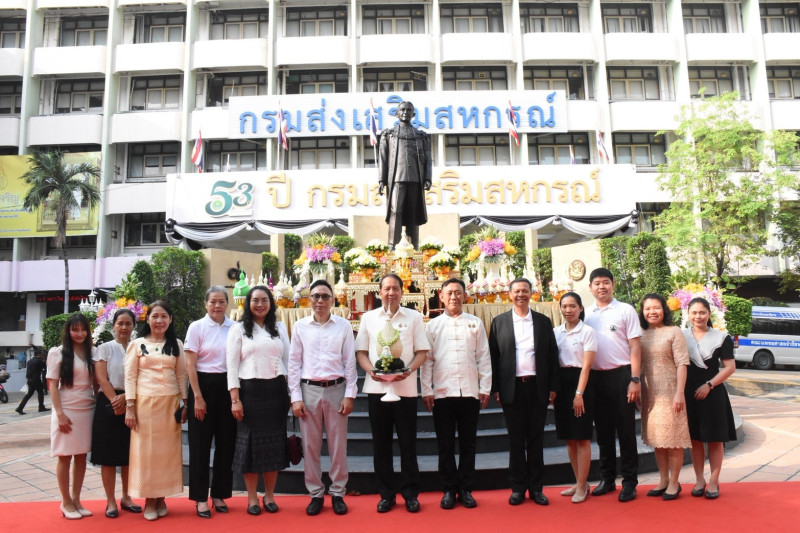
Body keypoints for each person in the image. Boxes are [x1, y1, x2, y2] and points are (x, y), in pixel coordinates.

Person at [355, 273, 430, 513]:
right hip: (377, 389)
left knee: (408, 444)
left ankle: (410, 494)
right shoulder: (368, 318)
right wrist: (372, 371)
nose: (391, 293)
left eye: (395, 288)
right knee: (381, 445)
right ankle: (386, 494)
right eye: (386, 288)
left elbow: (422, 351)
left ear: (402, 292)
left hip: (405, 390)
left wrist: (408, 370)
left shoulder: (414, 317)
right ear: (379, 292)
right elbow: (361, 352)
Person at [288, 279, 357, 516]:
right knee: (310, 445)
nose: (320, 300)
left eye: (325, 296)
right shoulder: (300, 326)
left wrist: (350, 394)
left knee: (338, 445)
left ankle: (338, 492)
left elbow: (349, 362)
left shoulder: (343, 325)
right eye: (316, 296)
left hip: (336, 389)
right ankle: (316, 493)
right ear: (309, 299)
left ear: (332, 300)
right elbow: (294, 362)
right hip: (309, 390)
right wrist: (295, 397)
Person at [422, 278, 491, 509]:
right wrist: (426, 390)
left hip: (470, 391)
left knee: (468, 444)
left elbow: (483, 357)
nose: (454, 297)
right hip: (442, 393)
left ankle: (466, 489)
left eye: (458, 292)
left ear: (464, 295)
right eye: (449, 293)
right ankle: (449, 489)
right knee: (445, 445)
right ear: (441, 297)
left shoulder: (475, 323)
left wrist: (485, 387)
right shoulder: (433, 326)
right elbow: (427, 361)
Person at [489, 278, 559, 507]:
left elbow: (552, 356)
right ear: (510, 294)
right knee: (516, 440)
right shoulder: (499, 322)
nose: (521, 295)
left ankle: (537, 489)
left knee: (536, 439)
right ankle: (518, 488)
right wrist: (496, 388)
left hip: (537, 387)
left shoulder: (543, 322)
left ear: (531, 293)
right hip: (512, 389)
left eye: (525, 291)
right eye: (517, 291)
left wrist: (552, 387)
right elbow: (493, 358)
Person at [227, 285, 291, 516]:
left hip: (276, 392)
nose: (260, 304)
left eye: (265, 300)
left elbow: (288, 361)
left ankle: (270, 496)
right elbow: (232, 365)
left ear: (271, 303)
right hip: (249, 392)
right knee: (250, 446)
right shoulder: (238, 329)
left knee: (274, 445)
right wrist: (235, 399)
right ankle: (252, 497)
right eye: (255, 300)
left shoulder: (279, 327)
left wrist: (292, 394)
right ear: (248, 303)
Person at [125, 301, 188, 521]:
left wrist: (186, 402)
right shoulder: (137, 344)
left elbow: (181, 375)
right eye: (155, 316)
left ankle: (161, 498)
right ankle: (149, 500)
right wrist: (130, 407)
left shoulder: (176, 344)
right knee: (146, 455)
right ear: (148, 319)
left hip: (170, 404)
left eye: (164, 317)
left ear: (170, 320)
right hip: (144, 404)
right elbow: (130, 377)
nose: (159, 321)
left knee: (166, 455)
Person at [583, 268, 642, 502]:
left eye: (606, 282)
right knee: (603, 432)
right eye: (597, 283)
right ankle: (607, 479)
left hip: (622, 376)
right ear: (590, 288)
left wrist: (635, 379)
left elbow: (635, 347)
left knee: (626, 431)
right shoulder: (586, 314)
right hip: (596, 379)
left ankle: (629, 482)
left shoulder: (625, 310)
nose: (602, 287)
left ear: (613, 285)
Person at [185, 286, 237, 518]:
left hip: (228, 386)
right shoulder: (197, 327)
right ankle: (200, 498)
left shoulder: (234, 328)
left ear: (227, 303)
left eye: (221, 301)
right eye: (212, 301)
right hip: (202, 386)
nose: (217, 306)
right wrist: (197, 396)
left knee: (226, 444)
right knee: (200, 445)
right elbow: (190, 364)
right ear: (205, 304)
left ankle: (219, 494)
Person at [683, 297, 737, 500]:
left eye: (702, 312)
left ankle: (714, 481)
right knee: (695, 439)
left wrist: (709, 385)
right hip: (689, 393)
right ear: (688, 314)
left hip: (713, 393)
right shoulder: (681, 335)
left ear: (709, 314)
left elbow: (730, 367)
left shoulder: (721, 337)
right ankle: (699, 480)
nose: (698, 316)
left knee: (715, 439)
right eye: (694, 312)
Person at [639, 293, 691, 501]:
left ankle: (674, 482)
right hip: (650, 393)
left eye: (656, 308)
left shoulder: (673, 331)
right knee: (658, 440)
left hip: (671, 392)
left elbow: (682, 363)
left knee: (673, 440)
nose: (652, 312)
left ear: (664, 310)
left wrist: (680, 393)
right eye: (647, 308)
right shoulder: (640, 334)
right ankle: (663, 480)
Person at [91, 309, 141, 518]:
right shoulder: (104, 348)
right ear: (113, 325)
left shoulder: (139, 347)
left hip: (133, 401)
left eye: (128, 323)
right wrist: (116, 402)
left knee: (129, 455)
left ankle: (127, 497)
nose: (124, 327)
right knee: (108, 456)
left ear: (133, 326)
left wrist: (127, 400)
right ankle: (110, 501)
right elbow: (101, 379)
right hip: (109, 402)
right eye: (120, 323)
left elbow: (143, 377)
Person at [47, 313, 96, 520]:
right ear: (68, 331)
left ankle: (76, 499)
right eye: (75, 329)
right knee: (65, 456)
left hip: (87, 407)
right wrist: (60, 414)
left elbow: (97, 382)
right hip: (66, 408)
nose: (79, 333)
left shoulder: (92, 352)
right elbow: (52, 385)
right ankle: (65, 501)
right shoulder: (57, 352)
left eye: (83, 329)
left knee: (82, 456)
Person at [553, 292, 597, 504]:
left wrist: (579, 394)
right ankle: (580, 482)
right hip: (562, 386)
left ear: (580, 308)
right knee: (569, 438)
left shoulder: (587, 332)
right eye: (564, 306)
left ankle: (582, 485)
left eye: (572, 306)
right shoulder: (555, 332)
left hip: (582, 384)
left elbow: (587, 366)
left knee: (581, 437)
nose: (568, 310)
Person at [378, 100, 432, 249]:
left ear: (413, 114)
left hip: (416, 178)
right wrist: (382, 180)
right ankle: (392, 245)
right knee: (396, 210)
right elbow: (383, 158)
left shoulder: (421, 136)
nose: (405, 112)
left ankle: (414, 246)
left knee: (413, 213)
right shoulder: (389, 135)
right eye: (402, 110)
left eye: (409, 110)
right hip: (397, 178)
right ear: (397, 113)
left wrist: (428, 177)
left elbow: (428, 159)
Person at [16, 347, 50, 414]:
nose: (42, 355)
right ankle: (41, 407)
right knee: (40, 393)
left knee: (28, 394)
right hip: (36, 380)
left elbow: (27, 372)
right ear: (38, 354)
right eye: (41, 354)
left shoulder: (29, 362)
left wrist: (27, 379)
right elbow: (46, 366)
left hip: (30, 380)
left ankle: (20, 408)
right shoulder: (39, 361)